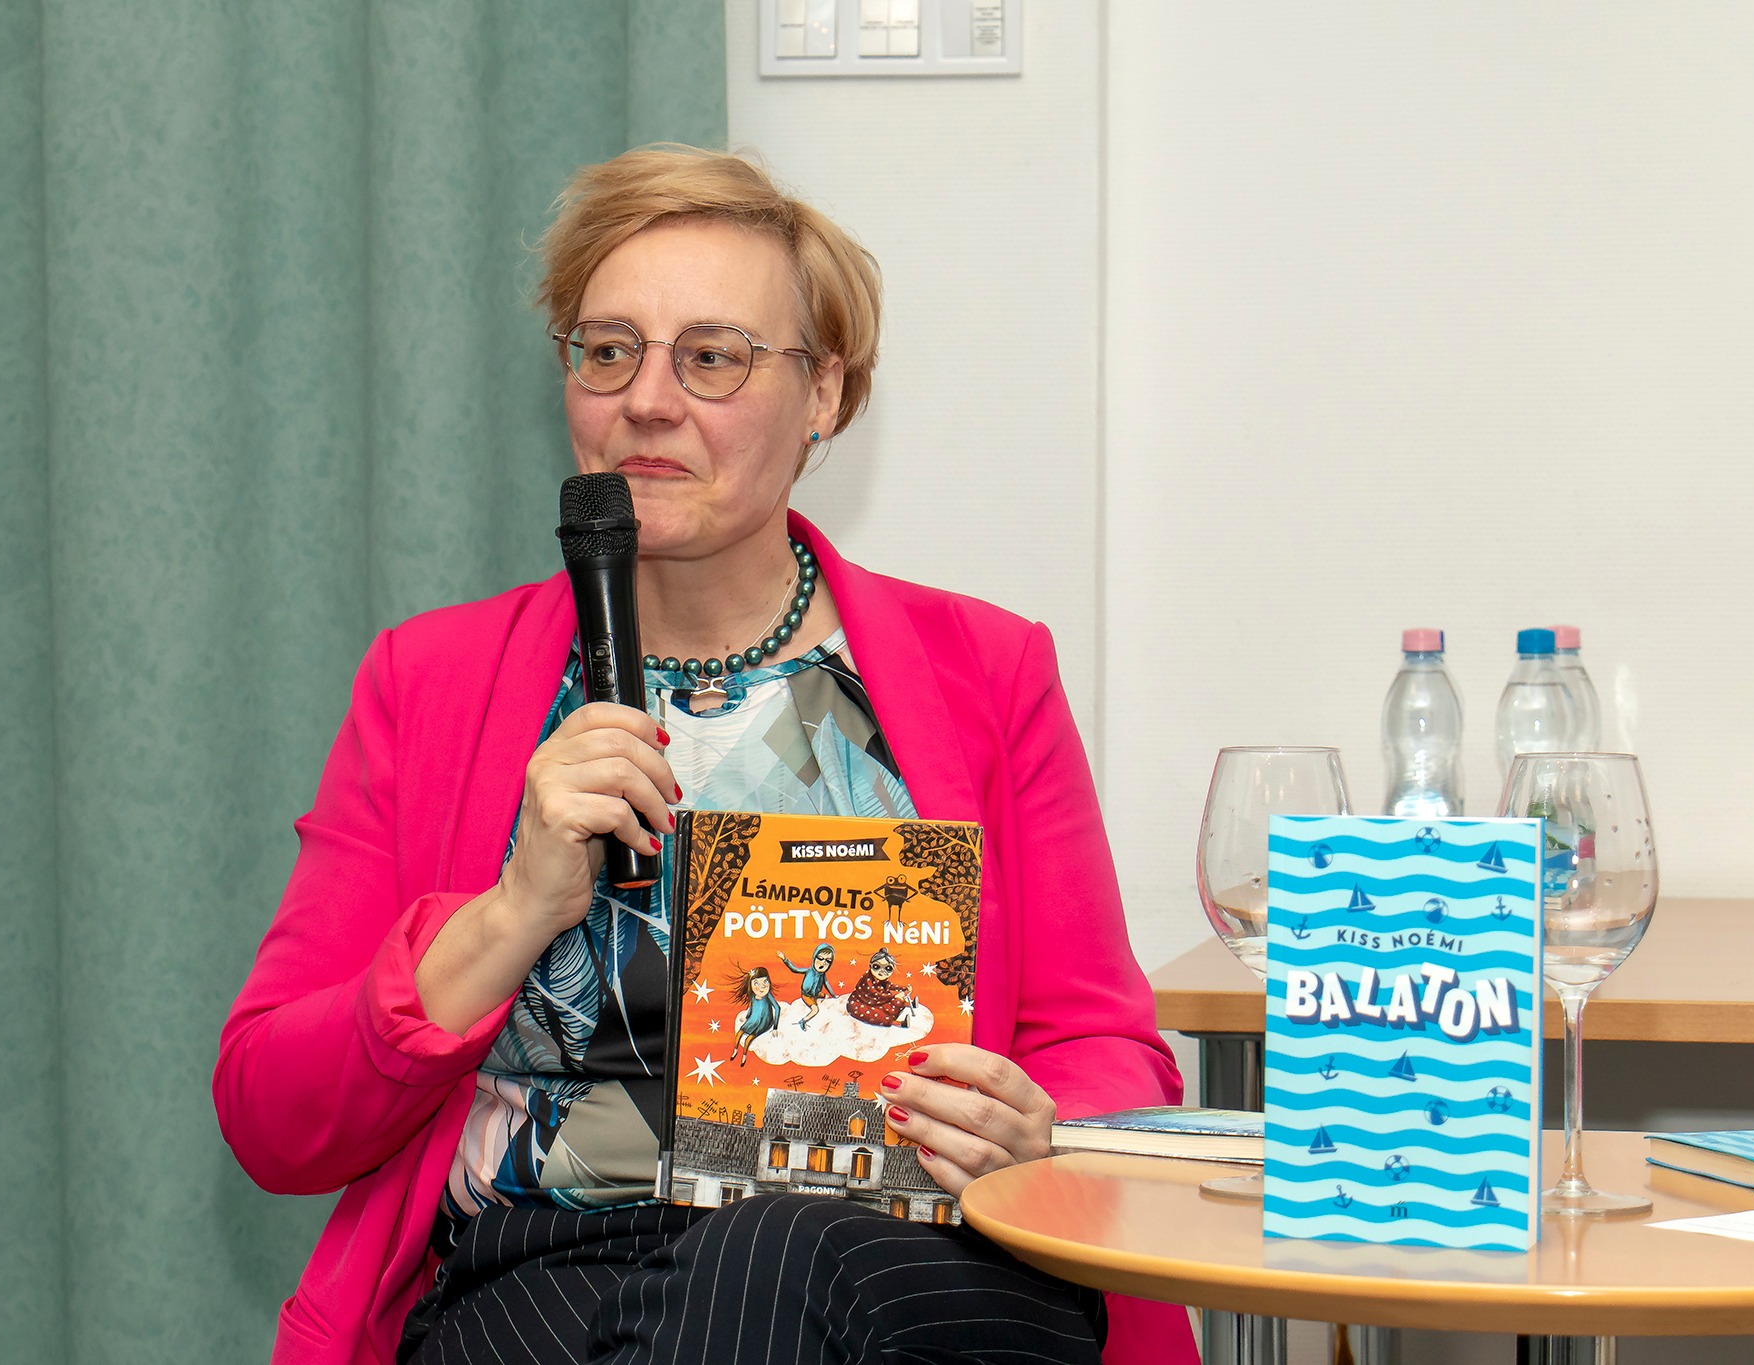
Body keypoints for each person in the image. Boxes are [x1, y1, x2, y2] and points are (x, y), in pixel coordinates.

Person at [215, 146, 1192, 1365]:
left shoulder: (985, 670)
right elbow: (272, 1115)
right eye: (607, 351)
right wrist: (511, 913)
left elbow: (1106, 1052)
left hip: (898, 1257)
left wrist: (1037, 1124)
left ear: (823, 391)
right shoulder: (429, 681)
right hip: (548, 1268)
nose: (646, 400)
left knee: (767, 1254)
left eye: (711, 357)